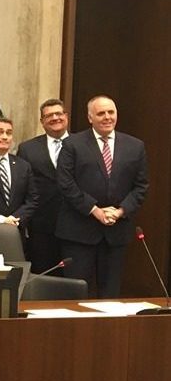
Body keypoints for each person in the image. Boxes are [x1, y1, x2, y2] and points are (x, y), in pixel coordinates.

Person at [56, 95, 148, 298]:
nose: (107, 117)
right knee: (77, 294)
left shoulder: (135, 146)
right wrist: (95, 210)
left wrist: (120, 211)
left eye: (111, 112)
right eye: (101, 113)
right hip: (79, 231)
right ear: (90, 118)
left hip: (116, 233)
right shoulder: (73, 144)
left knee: (110, 295)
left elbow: (141, 186)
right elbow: (65, 183)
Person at [16, 98, 70, 273]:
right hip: (41, 226)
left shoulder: (83, 144)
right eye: (49, 115)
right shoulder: (27, 148)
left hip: (76, 224)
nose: (55, 118)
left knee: (73, 275)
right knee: (42, 274)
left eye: (58, 113)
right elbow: (21, 186)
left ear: (66, 116)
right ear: (42, 121)